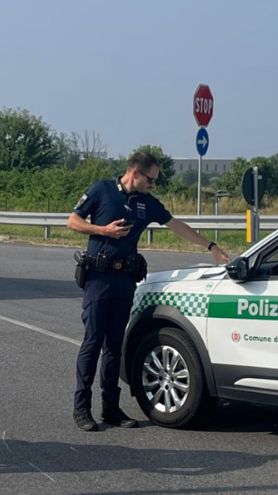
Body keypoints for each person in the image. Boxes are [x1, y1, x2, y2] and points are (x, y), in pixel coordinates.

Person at [67, 151, 230, 431]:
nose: (153, 185)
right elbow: (72, 221)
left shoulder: (147, 203)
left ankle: (111, 409)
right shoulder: (102, 189)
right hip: (99, 278)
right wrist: (103, 230)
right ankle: (82, 407)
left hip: (125, 280)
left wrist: (211, 247)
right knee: (93, 342)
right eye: (151, 180)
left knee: (114, 346)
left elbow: (177, 226)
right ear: (135, 173)